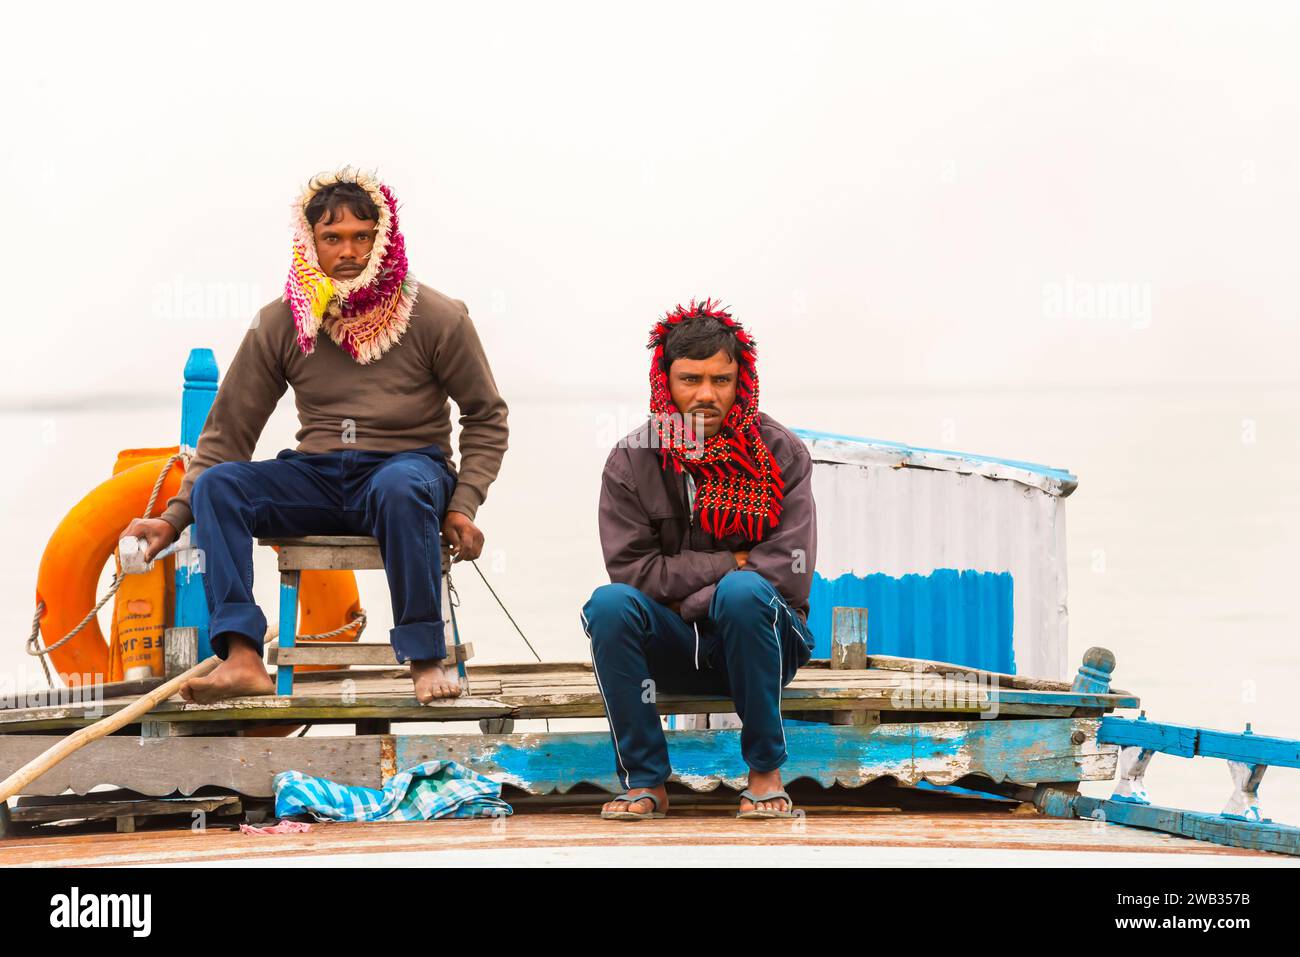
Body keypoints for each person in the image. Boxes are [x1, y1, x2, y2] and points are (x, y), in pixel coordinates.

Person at [122, 167, 508, 704]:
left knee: (401, 488)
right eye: (332, 238)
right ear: (311, 243)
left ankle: (424, 657)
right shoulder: (282, 321)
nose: (347, 251)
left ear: (384, 240)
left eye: (361, 237)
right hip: (319, 478)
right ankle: (241, 656)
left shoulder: (439, 318)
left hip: (407, 471)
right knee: (222, 487)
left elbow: (486, 416)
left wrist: (464, 503)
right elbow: (229, 432)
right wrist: (172, 517)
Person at [582, 299, 816, 820]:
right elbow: (634, 574)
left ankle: (764, 776)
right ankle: (645, 783)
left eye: (721, 379)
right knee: (609, 605)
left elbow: (786, 574)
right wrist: (725, 564)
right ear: (664, 381)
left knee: (745, 593)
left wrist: (705, 593)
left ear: (742, 381)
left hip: (765, 647)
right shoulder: (631, 460)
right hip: (677, 654)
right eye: (690, 379)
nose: (706, 395)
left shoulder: (782, 454)